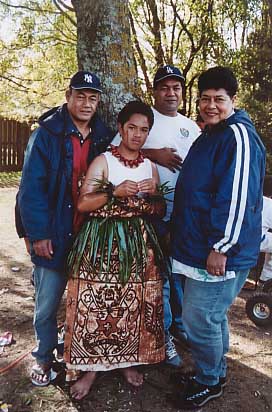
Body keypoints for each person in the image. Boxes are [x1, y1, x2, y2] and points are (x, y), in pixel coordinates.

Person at [171, 66, 266, 409]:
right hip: (199, 246)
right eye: (205, 99)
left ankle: (209, 379)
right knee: (210, 316)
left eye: (219, 99)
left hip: (220, 250)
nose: (210, 105)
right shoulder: (212, 133)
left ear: (233, 100)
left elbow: (237, 197)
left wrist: (221, 247)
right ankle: (217, 368)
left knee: (199, 317)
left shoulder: (237, 136)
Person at [16, 70, 114, 386]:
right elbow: (31, 190)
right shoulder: (46, 134)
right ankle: (44, 357)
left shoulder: (103, 136)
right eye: (81, 95)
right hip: (54, 236)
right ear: (68, 95)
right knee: (46, 306)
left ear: (99, 102)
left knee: (85, 304)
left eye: (93, 97)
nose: (86, 103)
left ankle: (77, 357)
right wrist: (38, 235)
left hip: (90, 237)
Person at [63, 101, 165, 400]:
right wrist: (113, 192)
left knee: (132, 306)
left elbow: (159, 209)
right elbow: (84, 203)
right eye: (131, 127)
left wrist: (152, 196)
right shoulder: (104, 161)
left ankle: (126, 363)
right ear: (120, 128)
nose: (137, 135)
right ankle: (91, 369)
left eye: (144, 130)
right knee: (95, 305)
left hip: (138, 244)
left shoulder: (150, 166)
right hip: (103, 243)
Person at [112, 65, 200, 367]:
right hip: (147, 213)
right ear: (155, 91)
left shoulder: (192, 126)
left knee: (180, 274)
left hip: (183, 214)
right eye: (165, 87)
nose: (171, 92)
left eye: (176, 87)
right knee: (157, 277)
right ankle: (160, 337)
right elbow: (114, 150)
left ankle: (178, 326)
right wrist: (155, 155)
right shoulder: (144, 118)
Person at [260, 175, 272, 282]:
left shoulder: (256, 199)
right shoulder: (270, 204)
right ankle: (268, 277)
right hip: (255, 241)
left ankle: (265, 277)